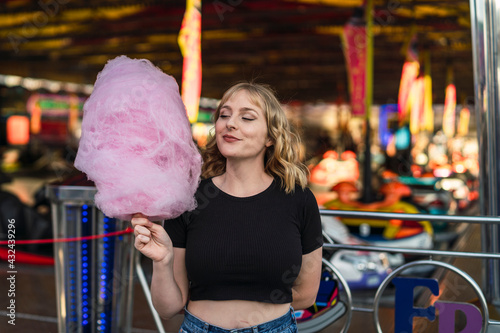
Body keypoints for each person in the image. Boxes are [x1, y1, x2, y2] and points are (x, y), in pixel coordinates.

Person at [131, 82, 323, 333]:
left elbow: (307, 295)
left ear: (270, 137)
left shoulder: (299, 200)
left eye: (247, 117)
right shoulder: (188, 199)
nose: (230, 123)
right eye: (224, 115)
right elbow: (168, 308)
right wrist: (162, 260)